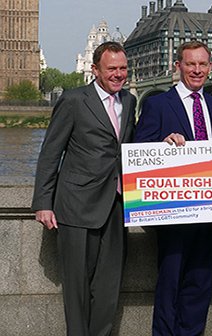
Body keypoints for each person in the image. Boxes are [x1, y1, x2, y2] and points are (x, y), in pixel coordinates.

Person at [32, 41, 136, 336]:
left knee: (108, 289)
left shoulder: (129, 102)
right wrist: (43, 202)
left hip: (115, 205)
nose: (118, 74)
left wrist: (167, 144)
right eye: (112, 68)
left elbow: (130, 149)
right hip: (76, 206)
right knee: (76, 289)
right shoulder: (75, 100)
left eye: (123, 68)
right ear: (95, 70)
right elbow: (51, 151)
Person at [134, 41, 212, 336]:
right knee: (170, 285)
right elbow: (138, 151)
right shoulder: (158, 104)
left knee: (200, 285)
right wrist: (161, 145)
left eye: (202, 64)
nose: (197, 70)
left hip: (210, 213)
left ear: (210, 69)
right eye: (191, 64)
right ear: (178, 67)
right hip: (174, 216)